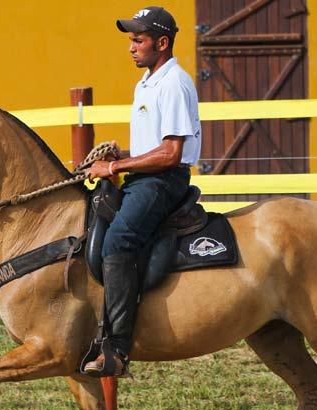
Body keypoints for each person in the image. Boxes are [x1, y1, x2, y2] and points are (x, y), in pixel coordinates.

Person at [84, 6, 202, 377]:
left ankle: (116, 348)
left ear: (162, 43)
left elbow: (171, 153)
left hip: (163, 182)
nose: (131, 47)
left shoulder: (174, 83)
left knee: (117, 241)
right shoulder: (147, 83)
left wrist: (115, 167)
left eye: (138, 40)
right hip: (146, 176)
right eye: (130, 40)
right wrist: (123, 156)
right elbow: (156, 147)